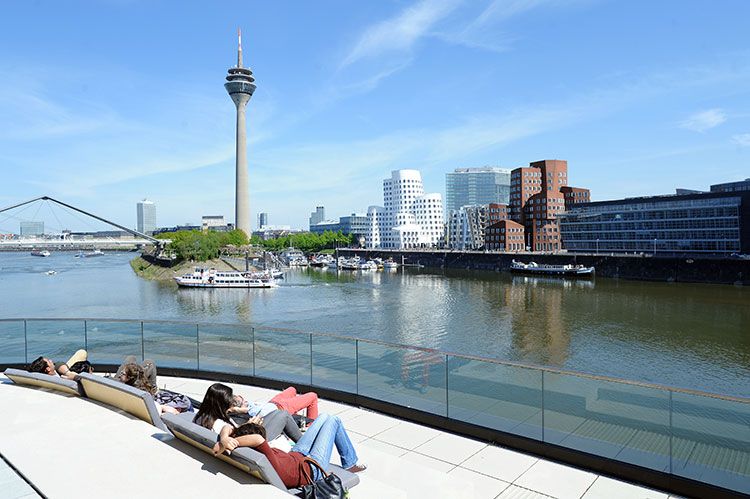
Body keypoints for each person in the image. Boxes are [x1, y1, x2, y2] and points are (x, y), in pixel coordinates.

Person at [213, 413, 366, 489]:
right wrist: (229, 441)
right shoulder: (258, 446)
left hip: (297, 454)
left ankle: (350, 461)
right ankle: (349, 463)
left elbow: (227, 428)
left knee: (325, 416)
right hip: (312, 468)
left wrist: (225, 439)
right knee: (333, 420)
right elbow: (257, 439)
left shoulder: (240, 445)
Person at [193, 383, 303, 444]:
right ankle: (303, 443)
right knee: (284, 415)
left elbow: (233, 433)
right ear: (221, 404)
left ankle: (301, 440)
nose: (231, 402)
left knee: (276, 413)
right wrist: (251, 426)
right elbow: (236, 441)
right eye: (229, 400)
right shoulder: (219, 425)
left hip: (247, 435)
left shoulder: (201, 417)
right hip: (254, 441)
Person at [117, 362, 181, 415]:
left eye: (122, 373)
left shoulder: (123, 390)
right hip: (152, 398)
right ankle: (153, 388)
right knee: (150, 363)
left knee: (137, 359)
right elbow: (156, 411)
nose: (120, 375)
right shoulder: (143, 396)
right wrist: (162, 407)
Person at [235, 385, 319, 421]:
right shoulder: (248, 411)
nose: (244, 400)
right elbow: (252, 411)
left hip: (273, 403)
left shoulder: (244, 408)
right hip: (281, 408)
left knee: (292, 389)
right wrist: (242, 409)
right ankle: (311, 424)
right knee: (313, 396)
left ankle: (292, 420)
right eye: (242, 401)